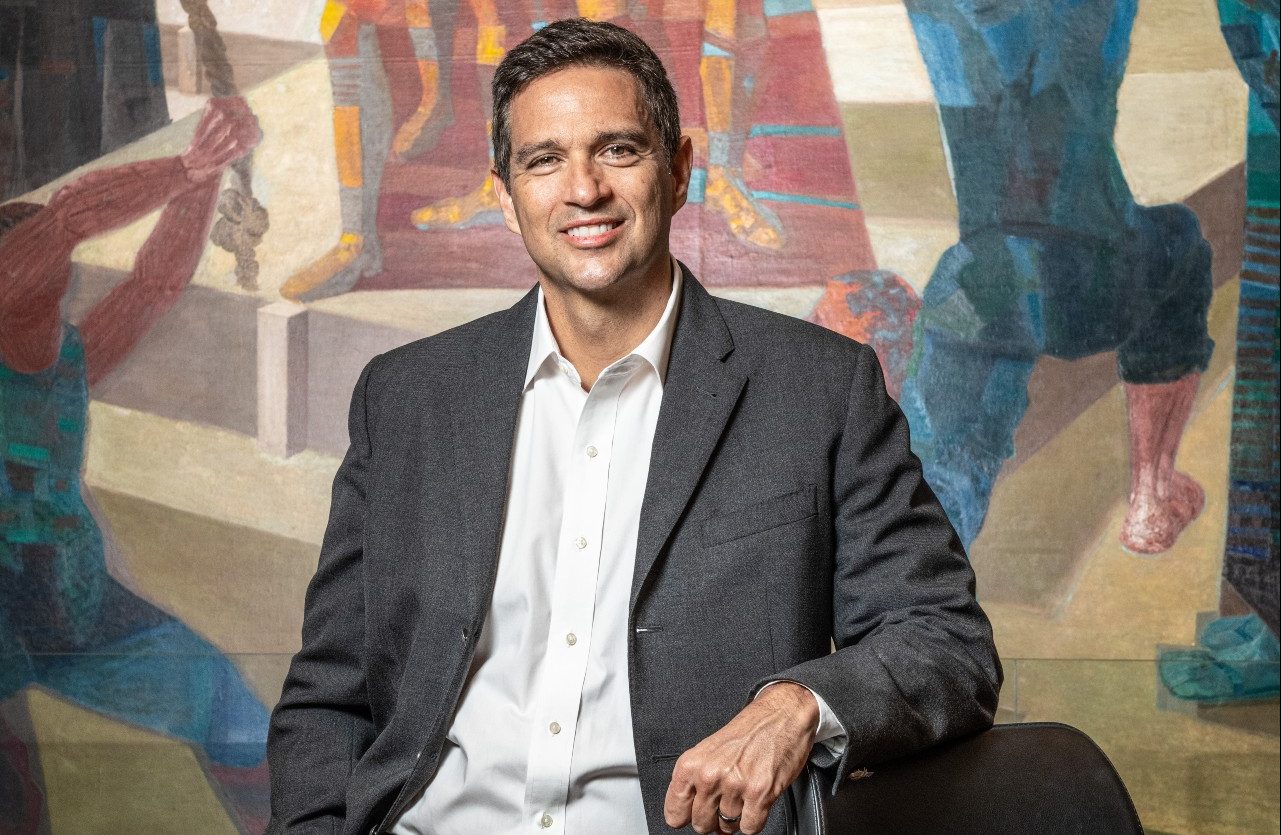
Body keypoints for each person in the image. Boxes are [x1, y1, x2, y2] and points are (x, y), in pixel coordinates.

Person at [267, 19, 1000, 835]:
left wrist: (797, 703)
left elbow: (945, 642)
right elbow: (329, 696)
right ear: (505, 196)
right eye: (544, 161)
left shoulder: (818, 389)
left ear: (679, 170)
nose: (583, 190)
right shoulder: (406, 398)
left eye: (617, 150)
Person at [0, 97, 270, 831]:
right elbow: (67, 218)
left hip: (71, 608)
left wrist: (203, 183)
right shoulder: (14, 283)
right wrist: (191, 165)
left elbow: (155, 283)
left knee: (234, 717)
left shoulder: (65, 361)